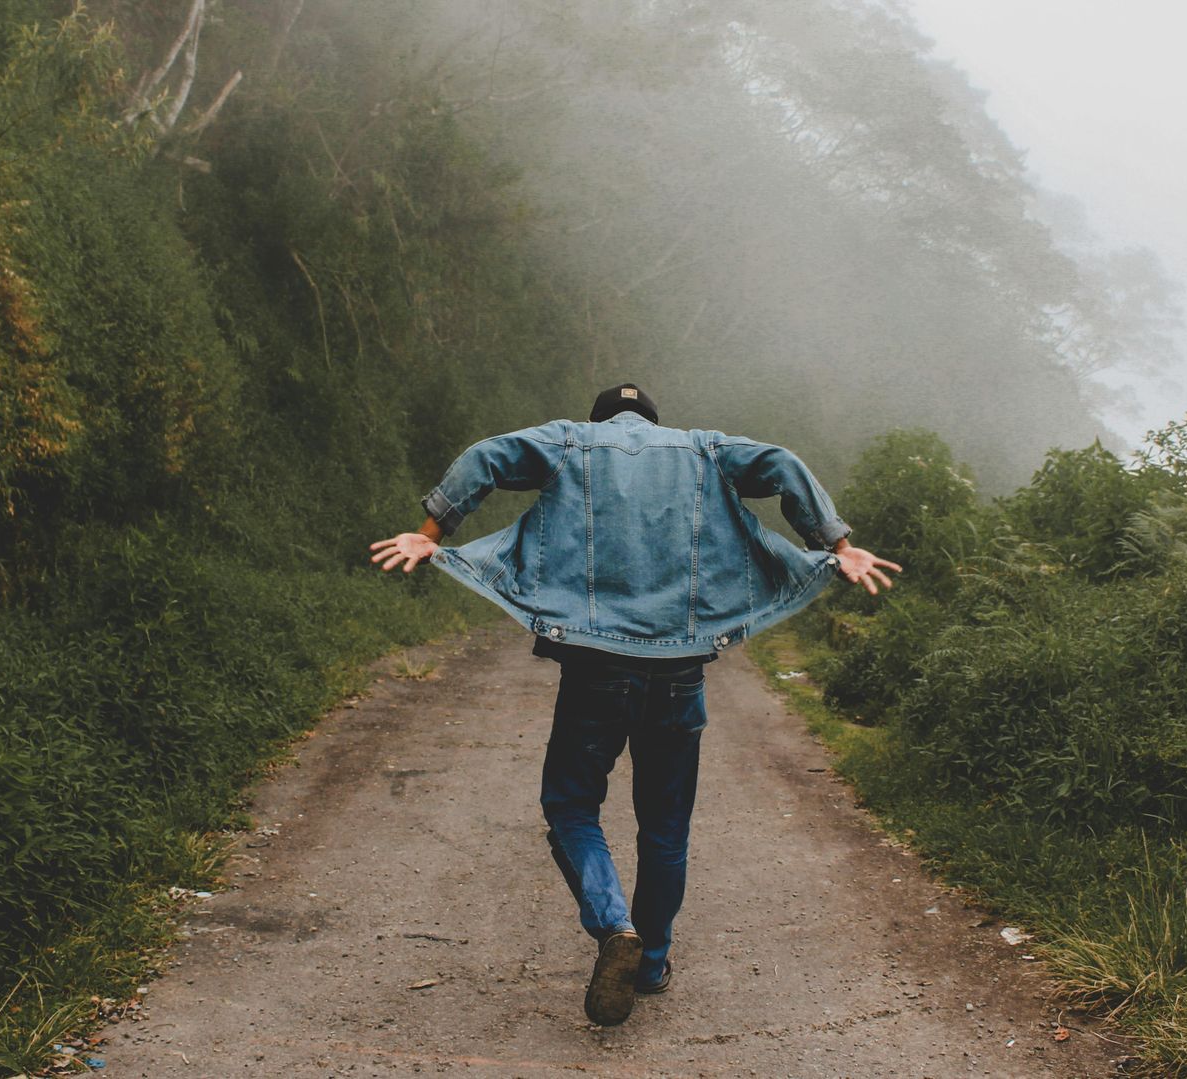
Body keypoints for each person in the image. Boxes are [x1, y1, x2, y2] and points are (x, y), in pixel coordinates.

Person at [371, 383, 898, 1027]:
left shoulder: (570, 441)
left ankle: (613, 923)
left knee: (571, 806)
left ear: (601, 419)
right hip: (679, 675)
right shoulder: (705, 450)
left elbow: (488, 457)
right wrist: (837, 545)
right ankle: (649, 965)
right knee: (665, 829)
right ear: (654, 420)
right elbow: (782, 464)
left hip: (594, 671)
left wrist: (430, 533)